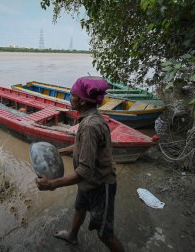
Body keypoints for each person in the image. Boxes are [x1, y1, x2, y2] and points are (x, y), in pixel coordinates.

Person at [35, 76, 124, 252]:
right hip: (87, 183)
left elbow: (84, 170)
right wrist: (57, 152)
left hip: (101, 183)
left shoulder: (90, 126)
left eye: (72, 94)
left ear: (82, 101)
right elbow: (81, 146)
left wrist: (52, 184)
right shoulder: (92, 118)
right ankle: (72, 236)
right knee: (80, 207)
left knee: (104, 234)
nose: (70, 97)